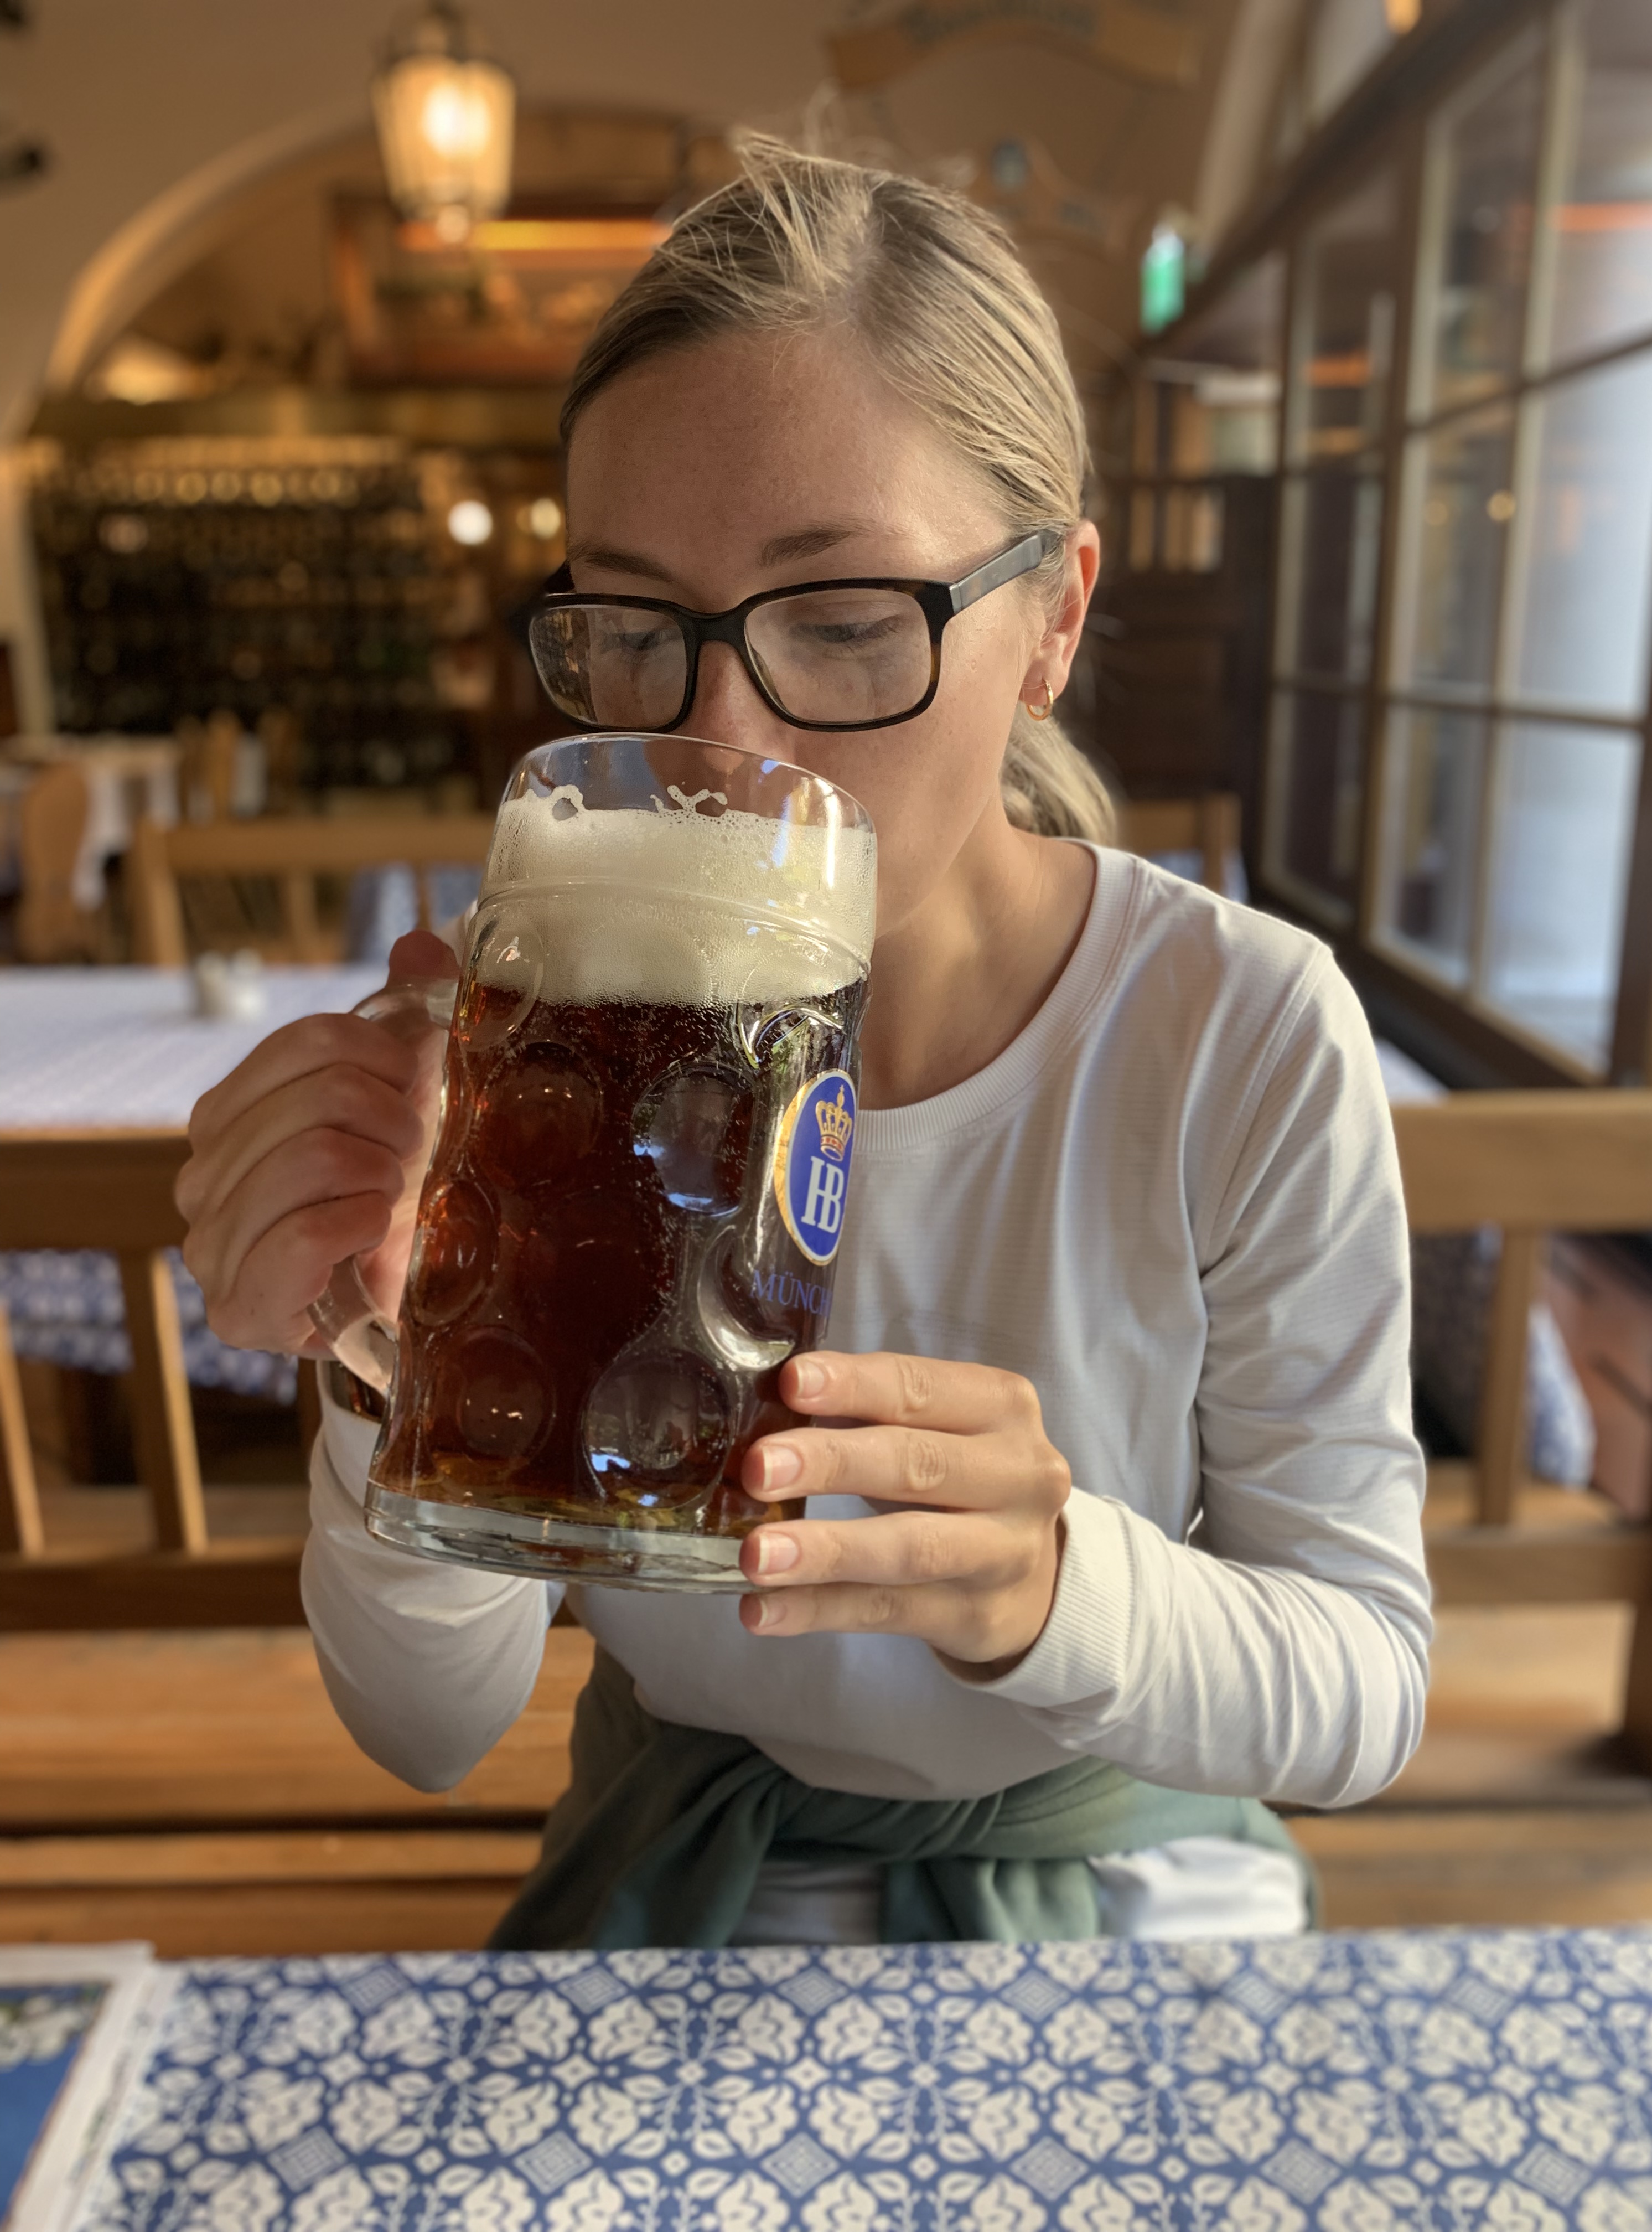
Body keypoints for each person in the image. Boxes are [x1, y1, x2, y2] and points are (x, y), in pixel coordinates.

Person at [177, 139, 1430, 1950]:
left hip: (1127, 1873)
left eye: (844, 624)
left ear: (1054, 618)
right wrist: (391, 1363)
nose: (722, 748)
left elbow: (1366, 1682)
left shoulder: (1236, 1028)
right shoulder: (543, 1053)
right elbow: (429, 1733)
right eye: (634, 629)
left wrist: (1055, 1587)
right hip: (695, 1863)